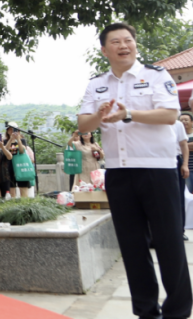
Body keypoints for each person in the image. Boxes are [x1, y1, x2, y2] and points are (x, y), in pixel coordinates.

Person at [79, 22, 191, 319]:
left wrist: (128, 113)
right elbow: (83, 125)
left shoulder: (155, 75)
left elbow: (170, 114)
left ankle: (178, 312)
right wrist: (100, 115)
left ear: (135, 44)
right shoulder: (96, 84)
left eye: (128, 40)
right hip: (118, 172)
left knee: (169, 243)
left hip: (158, 170)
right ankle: (145, 311)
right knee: (131, 246)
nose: (123, 45)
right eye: (115, 42)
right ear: (105, 50)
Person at [5, 126, 35, 198]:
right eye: (10, 130)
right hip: (10, 166)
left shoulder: (22, 140)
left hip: (20, 166)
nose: (12, 131)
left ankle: (24, 204)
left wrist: (18, 139)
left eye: (15, 130)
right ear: (8, 131)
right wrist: (10, 140)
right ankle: (13, 204)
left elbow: (22, 151)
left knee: (23, 187)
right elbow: (5, 150)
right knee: (12, 188)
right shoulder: (6, 141)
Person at [174, 120, 190, 241]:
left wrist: (184, 164)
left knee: (178, 198)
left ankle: (180, 231)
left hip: (175, 160)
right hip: (154, 162)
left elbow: (184, 145)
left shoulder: (177, 124)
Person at [182, 113, 193, 193]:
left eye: (186, 120)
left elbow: (180, 147)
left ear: (191, 122)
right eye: (181, 120)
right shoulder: (177, 136)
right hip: (186, 169)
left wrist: (183, 146)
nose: (183, 122)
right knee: (187, 194)